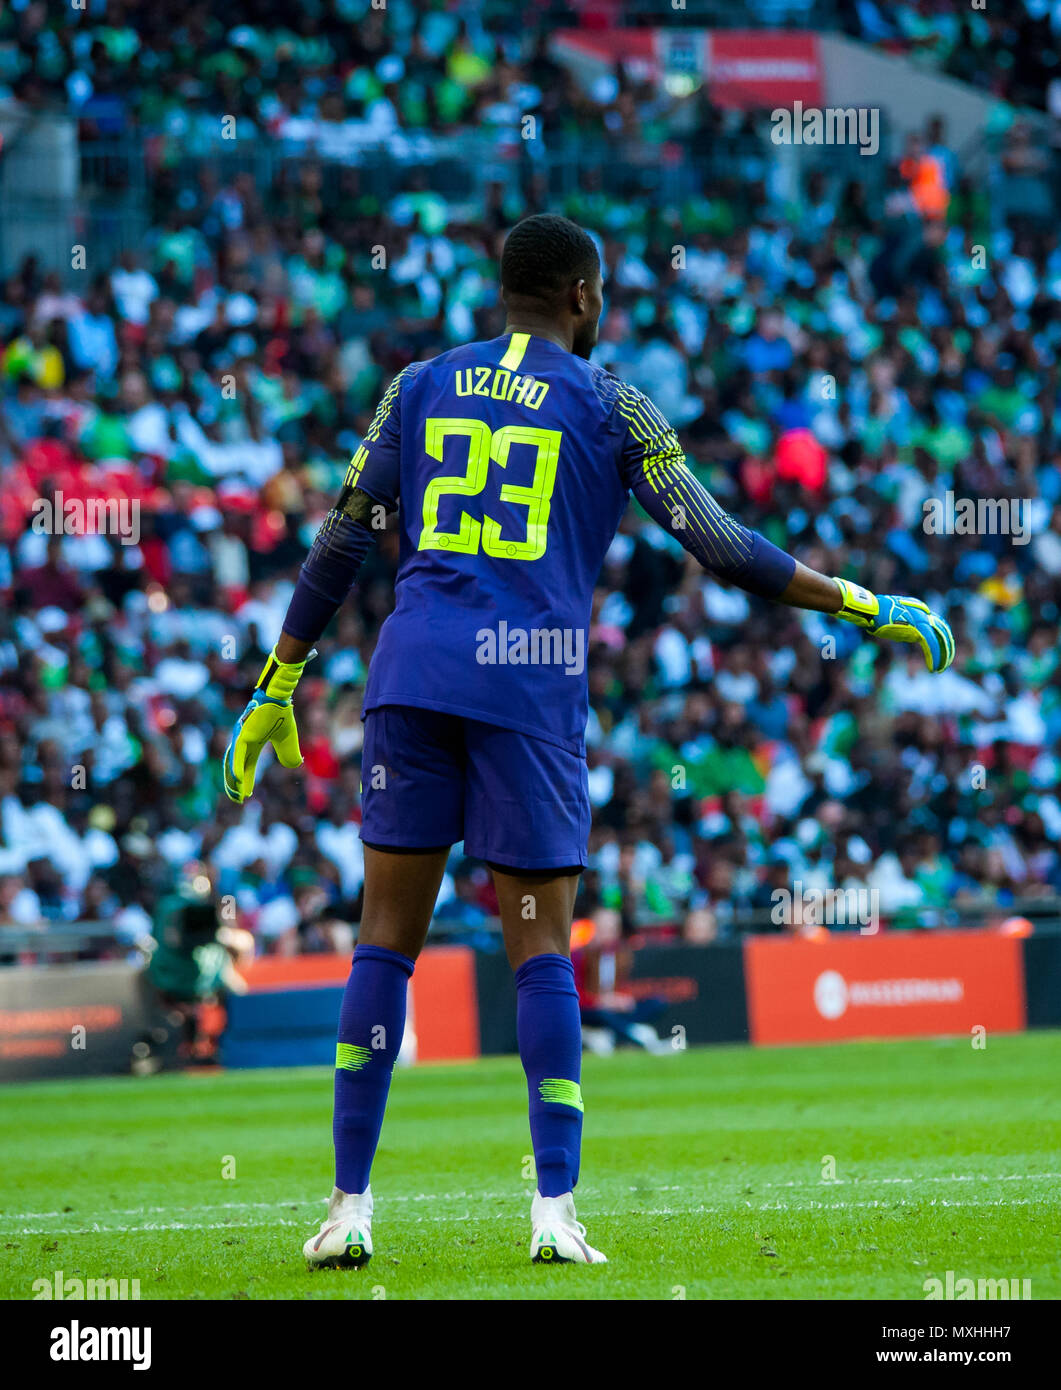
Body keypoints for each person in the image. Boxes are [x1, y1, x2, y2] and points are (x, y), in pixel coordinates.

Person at [222, 214, 954, 1269]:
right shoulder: (613, 404)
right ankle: (553, 1213)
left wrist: (277, 678)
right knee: (538, 952)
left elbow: (341, 536)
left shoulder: (417, 382)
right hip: (526, 690)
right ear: (579, 296)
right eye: (599, 295)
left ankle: (346, 1207)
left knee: (384, 941)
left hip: (413, 676)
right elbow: (716, 541)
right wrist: (855, 601)